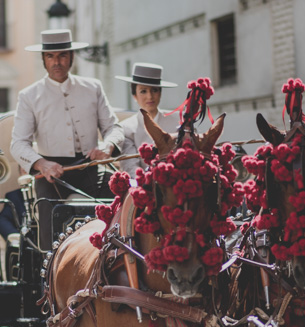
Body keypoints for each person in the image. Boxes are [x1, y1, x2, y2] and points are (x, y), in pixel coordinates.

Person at [10, 29, 124, 200]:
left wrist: (107, 146)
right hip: (51, 175)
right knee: (49, 218)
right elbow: (18, 144)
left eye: (62, 55)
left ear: (72, 56)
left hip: (91, 169)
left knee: (121, 200)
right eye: (50, 56)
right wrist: (42, 164)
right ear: (43, 58)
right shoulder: (29, 96)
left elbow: (114, 128)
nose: (56, 62)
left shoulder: (93, 88)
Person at [115, 63, 179, 176]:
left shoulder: (178, 120)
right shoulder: (126, 128)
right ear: (134, 95)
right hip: (144, 185)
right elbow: (130, 166)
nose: (150, 96)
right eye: (143, 91)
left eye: (154, 90)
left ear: (160, 93)